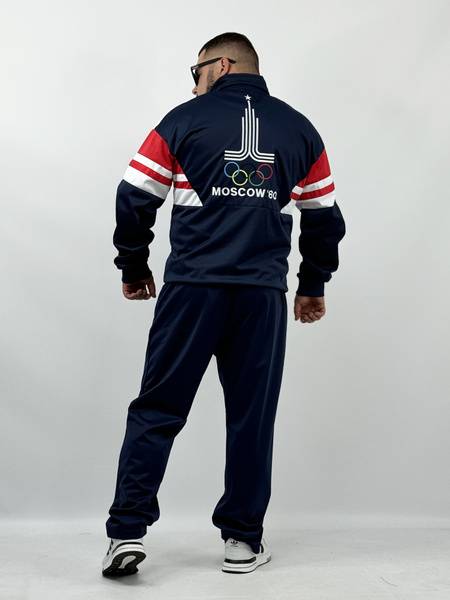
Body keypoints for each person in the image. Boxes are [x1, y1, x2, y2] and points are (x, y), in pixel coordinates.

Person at [102, 31, 346, 577]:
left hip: (192, 290)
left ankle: (125, 534)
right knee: (251, 418)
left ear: (223, 65)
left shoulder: (182, 122)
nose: (193, 85)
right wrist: (312, 284)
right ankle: (241, 539)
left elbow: (133, 196)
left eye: (197, 72)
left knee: (157, 409)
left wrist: (134, 266)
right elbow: (324, 218)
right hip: (261, 296)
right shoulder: (300, 129)